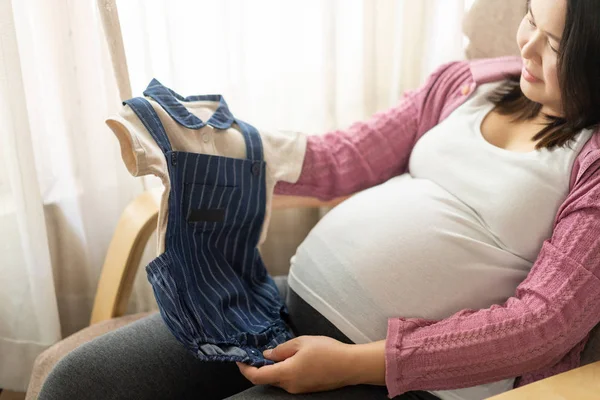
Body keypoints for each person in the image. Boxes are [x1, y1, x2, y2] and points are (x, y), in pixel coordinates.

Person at [38, 0, 600, 399]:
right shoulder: (468, 84)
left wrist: (355, 365)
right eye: (530, 15)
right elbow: (346, 157)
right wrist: (228, 146)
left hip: (397, 376)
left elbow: (542, 323)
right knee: (79, 383)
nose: (525, 43)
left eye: (552, 44)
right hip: (283, 306)